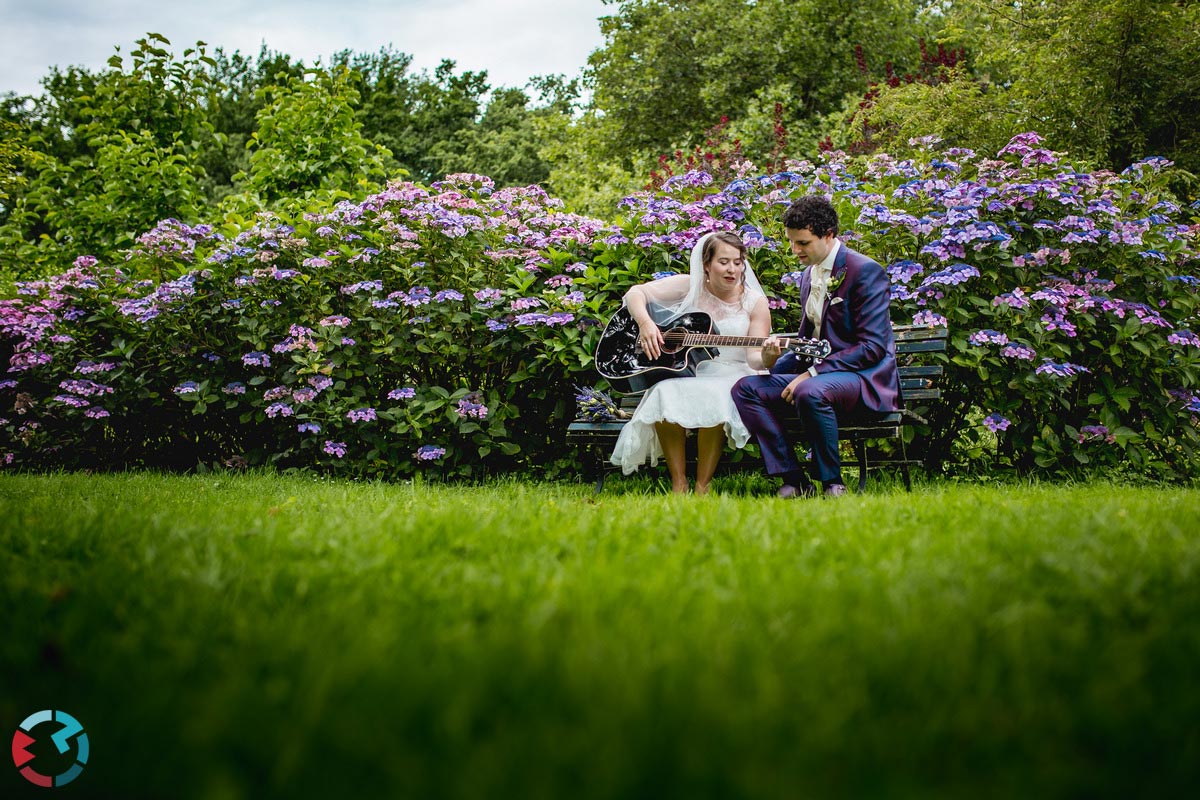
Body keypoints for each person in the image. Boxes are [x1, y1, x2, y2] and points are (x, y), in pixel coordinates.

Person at [732, 195, 899, 498]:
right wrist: (772, 363)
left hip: (865, 377)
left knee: (809, 391)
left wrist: (811, 374)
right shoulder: (809, 274)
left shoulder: (865, 271)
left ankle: (832, 483)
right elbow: (810, 340)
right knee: (746, 388)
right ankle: (793, 481)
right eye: (792, 243)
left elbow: (872, 348)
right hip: (823, 375)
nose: (795, 251)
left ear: (829, 235)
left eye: (803, 243)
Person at [610, 231, 772, 494]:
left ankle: (702, 485)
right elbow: (635, 293)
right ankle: (679, 482)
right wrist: (645, 323)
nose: (732, 269)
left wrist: (769, 355)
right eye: (723, 262)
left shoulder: (754, 302)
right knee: (664, 390)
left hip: (734, 372)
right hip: (693, 370)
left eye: (738, 262)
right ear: (706, 265)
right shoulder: (690, 286)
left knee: (715, 394)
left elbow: (755, 358)